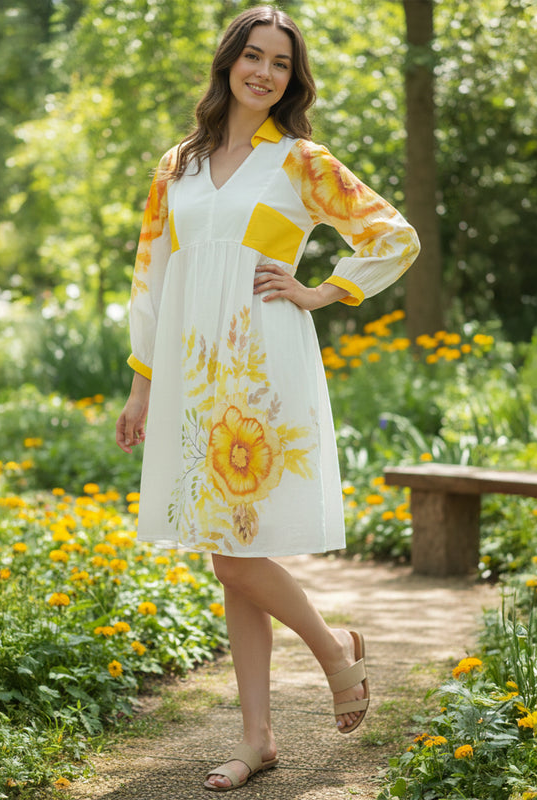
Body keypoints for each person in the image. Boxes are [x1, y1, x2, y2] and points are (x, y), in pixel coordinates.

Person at [116, 5, 420, 792]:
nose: (263, 72)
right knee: (231, 557)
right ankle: (260, 738)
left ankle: (328, 656)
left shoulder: (301, 162)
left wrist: (322, 291)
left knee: (232, 548)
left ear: (293, 78)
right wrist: (142, 386)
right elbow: (151, 280)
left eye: (279, 63)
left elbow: (394, 235)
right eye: (252, 56)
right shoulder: (176, 165)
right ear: (228, 63)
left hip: (259, 365)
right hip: (189, 369)